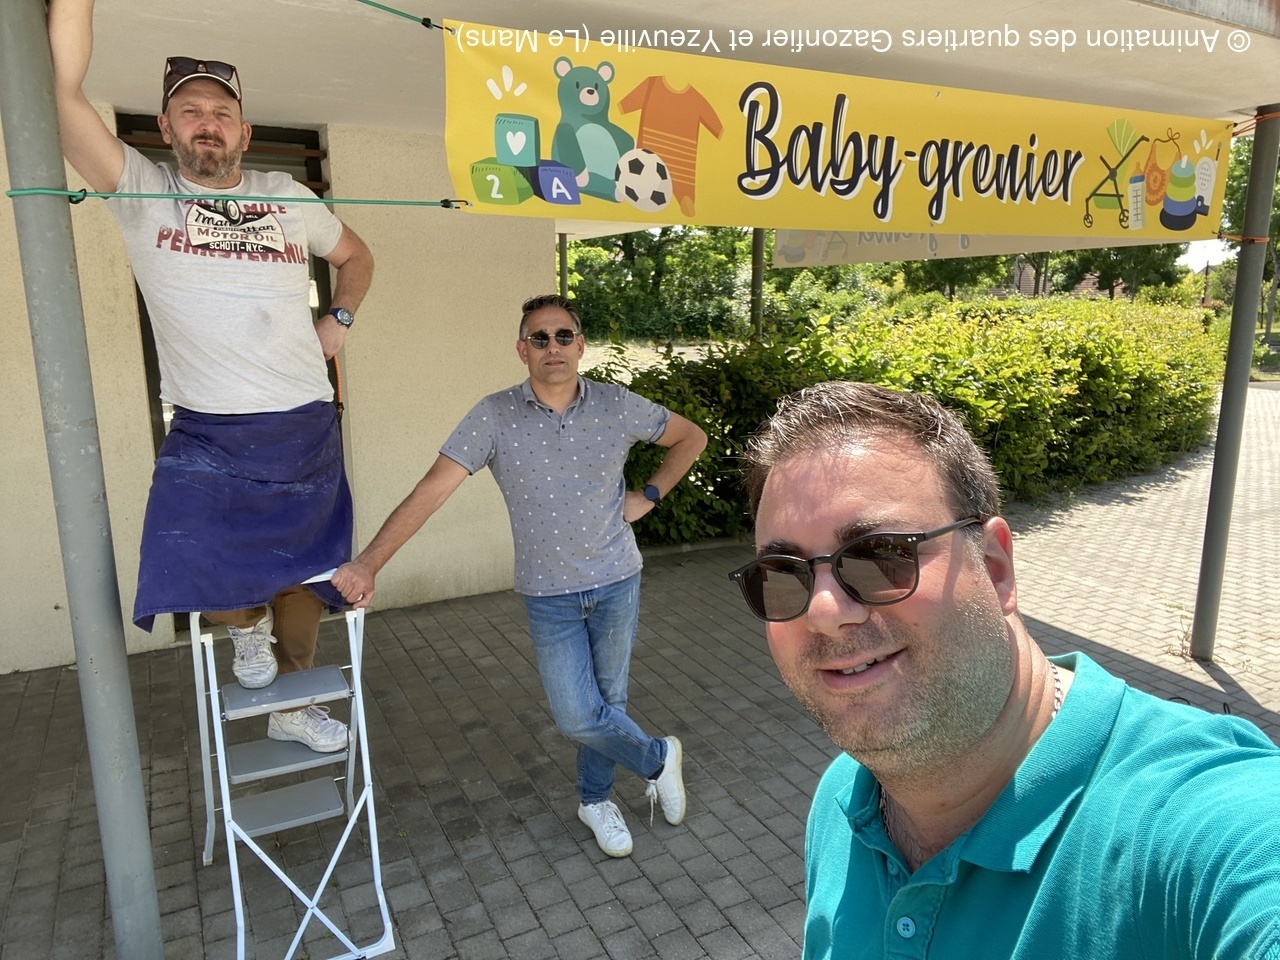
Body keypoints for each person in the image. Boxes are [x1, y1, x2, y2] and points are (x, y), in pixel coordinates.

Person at [729, 380, 1280, 958]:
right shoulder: (843, 798)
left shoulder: (1194, 823)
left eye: (879, 555)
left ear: (994, 567)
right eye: (782, 573)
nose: (822, 612)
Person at [49, 0, 374, 752]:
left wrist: (340, 319)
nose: (207, 123)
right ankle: (246, 629)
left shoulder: (289, 197)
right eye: (190, 111)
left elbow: (356, 256)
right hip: (208, 431)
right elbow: (63, 98)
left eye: (222, 112)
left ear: (244, 132)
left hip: (304, 423)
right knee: (186, 551)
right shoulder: (140, 190)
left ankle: (294, 706)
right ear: (166, 129)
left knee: (309, 574)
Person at [332, 294, 707, 857]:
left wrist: (649, 496)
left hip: (617, 579)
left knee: (609, 701)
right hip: (549, 594)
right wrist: (369, 563)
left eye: (563, 336)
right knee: (578, 715)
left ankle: (595, 800)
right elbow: (431, 490)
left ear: (580, 346)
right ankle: (659, 758)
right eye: (539, 337)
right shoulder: (494, 415)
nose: (552, 346)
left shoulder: (617, 405)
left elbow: (691, 437)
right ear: (521, 349)